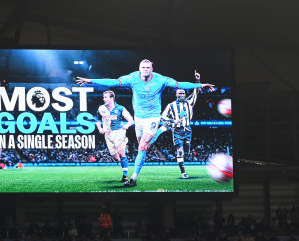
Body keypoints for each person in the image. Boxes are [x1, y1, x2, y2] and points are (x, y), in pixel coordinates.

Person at [77, 59, 214, 187]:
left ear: (152, 69)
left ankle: (133, 178)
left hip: (153, 117)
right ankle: (161, 130)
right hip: (139, 119)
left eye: (148, 68)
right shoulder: (132, 78)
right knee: (143, 145)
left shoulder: (161, 79)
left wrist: (200, 84)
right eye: (143, 68)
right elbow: (112, 82)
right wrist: (90, 80)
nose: (145, 70)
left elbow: (180, 84)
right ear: (139, 69)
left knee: (142, 146)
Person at [156, 70, 203, 179]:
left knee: (186, 150)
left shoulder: (189, 102)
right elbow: (162, 117)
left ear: (185, 94)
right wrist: (173, 121)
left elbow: (196, 91)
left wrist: (197, 80)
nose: (181, 95)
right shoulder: (171, 105)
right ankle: (183, 172)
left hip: (188, 130)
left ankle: (186, 150)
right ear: (176, 94)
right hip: (177, 131)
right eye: (179, 93)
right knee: (180, 151)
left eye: (183, 93)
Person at [95, 90, 134, 182]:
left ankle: (125, 176)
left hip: (118, 132)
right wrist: (100, 128)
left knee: (121, 152)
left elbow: (131, 120)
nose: (103, 99)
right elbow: (97, 119)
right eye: (103, 97)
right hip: (108, 134)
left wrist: (126, 126)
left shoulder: (120, 108)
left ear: (111, 98)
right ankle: (124, 147)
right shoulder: (101, 108)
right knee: (116, 158)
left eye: (106, 97)